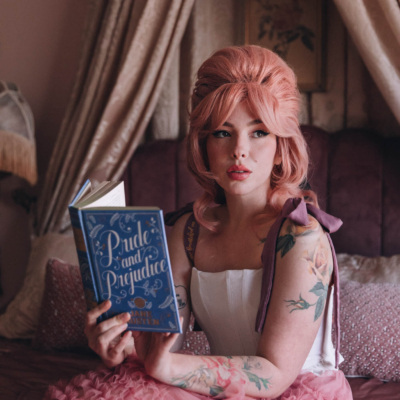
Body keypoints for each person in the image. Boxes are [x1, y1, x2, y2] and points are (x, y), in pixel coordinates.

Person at [46, 45, 353, 400]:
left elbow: (274, 375)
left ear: (281, 144)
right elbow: (161, 344)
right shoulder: (189, 233)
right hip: (219, 384)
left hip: (294, 389)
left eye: (258, 132)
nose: (239, 150)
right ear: (204, 142)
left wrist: (169, 368)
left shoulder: (302, 237)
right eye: (223, 132)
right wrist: (123, 347)